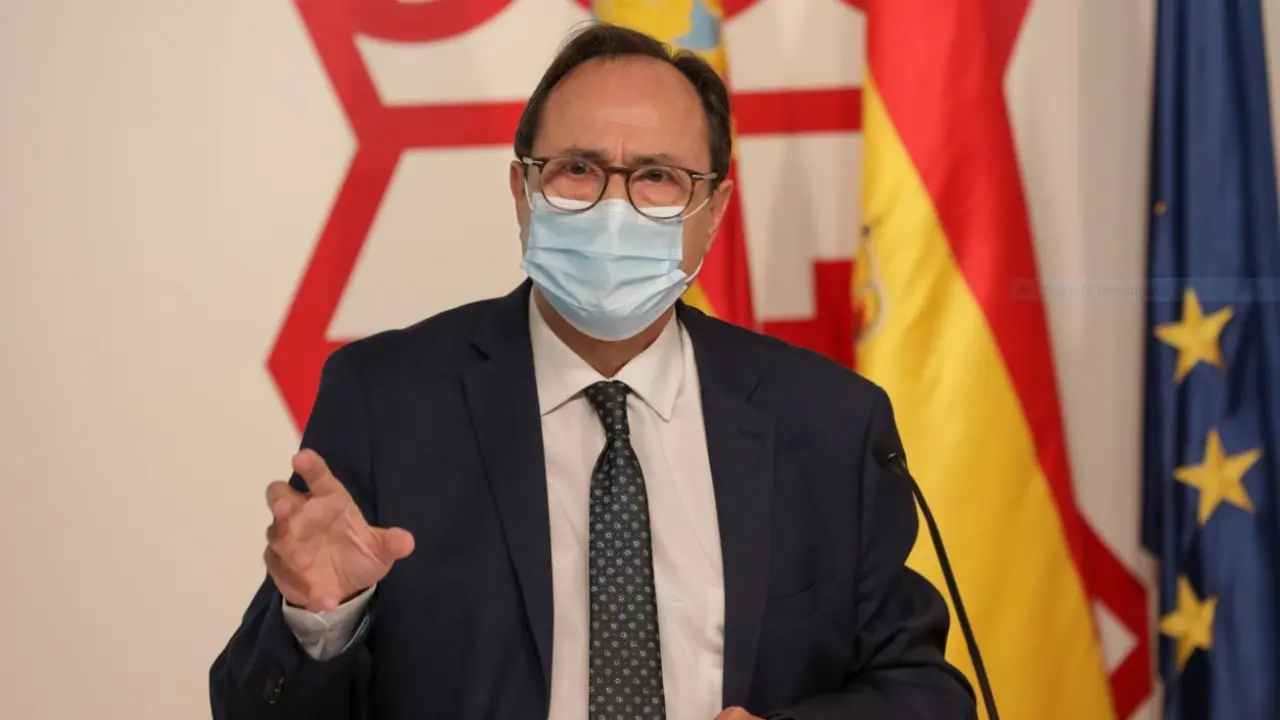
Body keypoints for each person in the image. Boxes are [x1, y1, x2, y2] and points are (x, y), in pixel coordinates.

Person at [210, 22, 975, 720]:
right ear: (522, 192)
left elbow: (924, 693)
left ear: (713, 210)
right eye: (577, 169)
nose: (615, 207)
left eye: (657, 177)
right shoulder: (388, 401)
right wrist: (321, 618)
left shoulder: (829, 421)